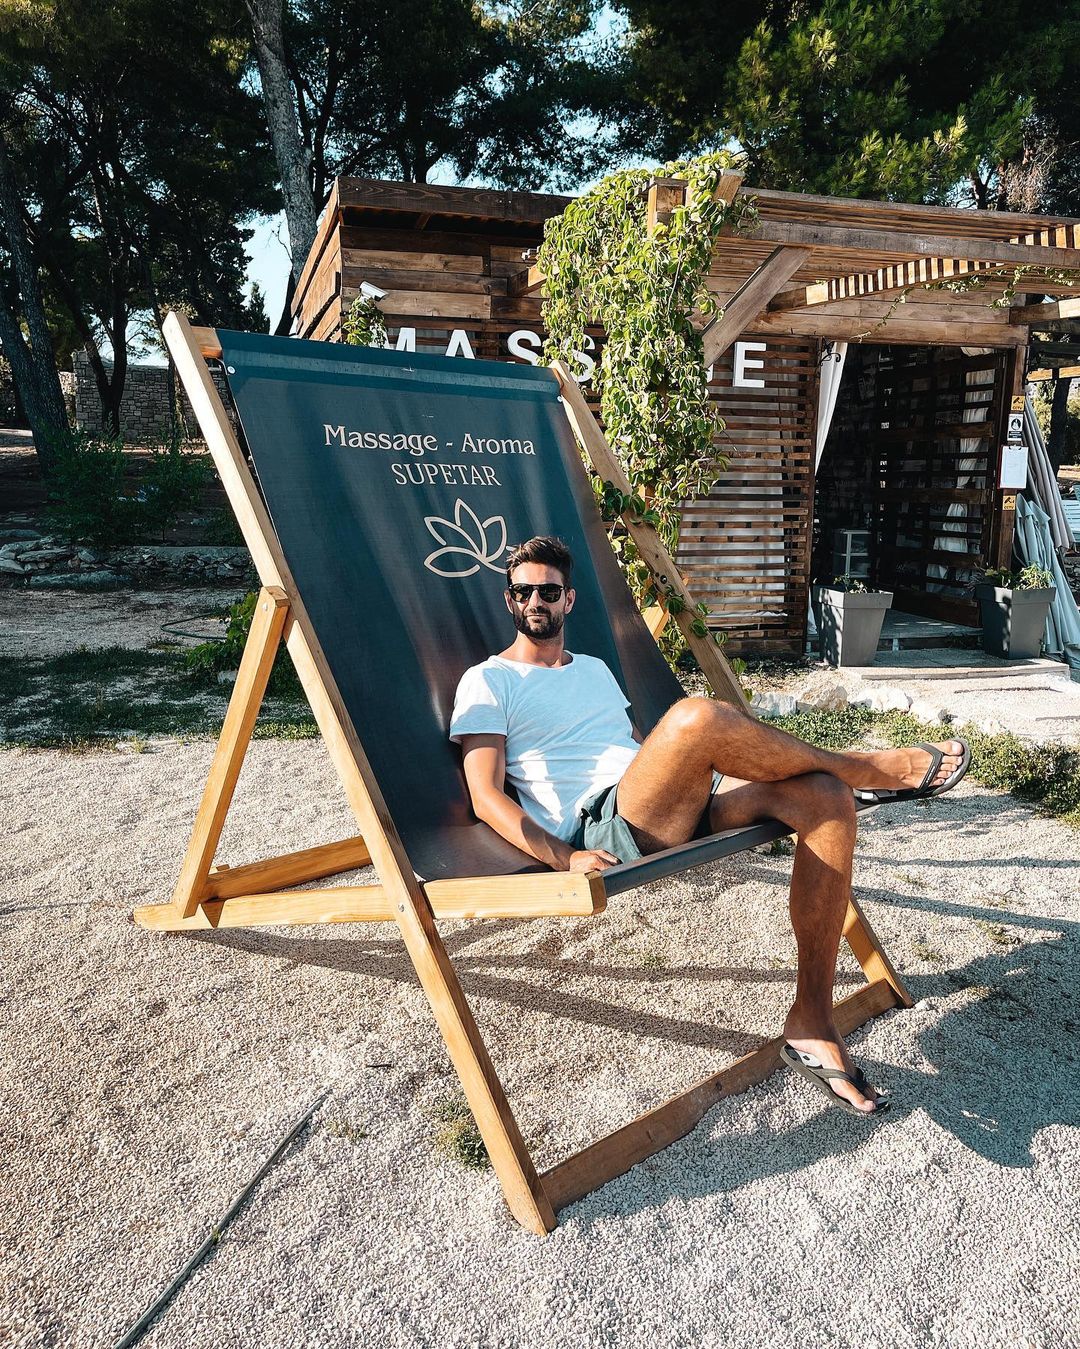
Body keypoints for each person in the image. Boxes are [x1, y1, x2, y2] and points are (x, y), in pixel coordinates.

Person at [450, 536, 969, 1115]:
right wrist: (564, 857)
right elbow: (485, 796)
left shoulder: (593, 669)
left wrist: (698, 778)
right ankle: (865, 767)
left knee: (824, 798)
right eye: (523, 592)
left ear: (568, 600)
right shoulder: (488, 680)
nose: (535, 602)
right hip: (602, 824)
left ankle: (812, 1018)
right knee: (695, 716)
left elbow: (632, 749)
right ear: (509, 599)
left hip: (663, 802)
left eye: (548, 592)